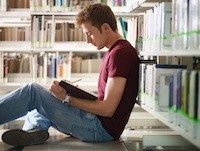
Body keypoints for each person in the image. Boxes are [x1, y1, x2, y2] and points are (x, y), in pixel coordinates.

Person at [0, 3, 140, 147]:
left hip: (99, 129)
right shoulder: (115, 51)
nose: (88, 40)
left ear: (105, 28)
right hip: (97, 124)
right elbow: (106, 100)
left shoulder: (121, 53)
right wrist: (70, 92)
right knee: (45, 99)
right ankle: (34, 131)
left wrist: (67, 98)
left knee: (32, 91)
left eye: (90, 33)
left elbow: (108, 109)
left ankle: (35, 128)